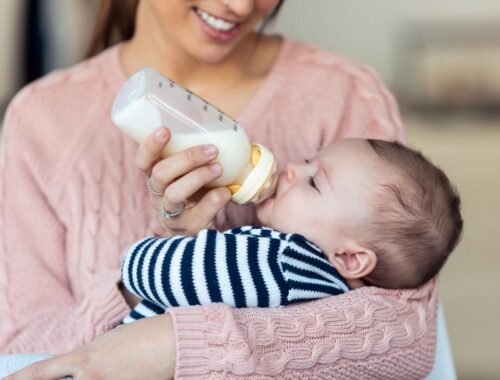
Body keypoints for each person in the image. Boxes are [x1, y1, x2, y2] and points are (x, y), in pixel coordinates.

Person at [0, 0, 439, 378]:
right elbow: (18, 350)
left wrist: (177, 346)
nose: (242, 6)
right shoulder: (40, 120)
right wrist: (159, 262)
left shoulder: (344, 94)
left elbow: (408, 333)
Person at [121, 138, 463, 323]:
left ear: (351, 258)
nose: (291, 170)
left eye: (313, 182)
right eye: (306, 160)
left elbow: (151, 273)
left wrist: (137, 256)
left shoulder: (282, 262)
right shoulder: (320, 289)